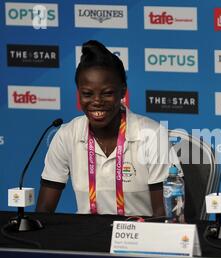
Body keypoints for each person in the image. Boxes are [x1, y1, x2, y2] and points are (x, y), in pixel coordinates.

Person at [36, 40, 180, 217]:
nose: (97, 101)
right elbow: (43, 211)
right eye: (87, 94)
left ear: (122, 92)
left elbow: (165, 214)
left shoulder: (152, 136)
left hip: (140, 239)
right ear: (79, 93)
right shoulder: (67, 135)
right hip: (85, 239)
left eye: (107, 93)